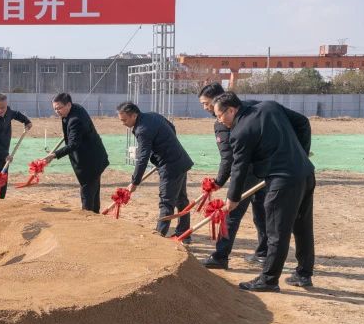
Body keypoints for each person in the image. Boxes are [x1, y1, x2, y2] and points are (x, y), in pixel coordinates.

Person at [213, 92, 315, 292]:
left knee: (276, 231)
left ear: (231, 110)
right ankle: (304, 274)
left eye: (219, 116)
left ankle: (268, 280)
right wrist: (301, 153)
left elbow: (239, 167)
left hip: (282, 180)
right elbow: (303, 122)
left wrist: (232, 199)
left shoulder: (239, 132)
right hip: (305, 173)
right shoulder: (270, 106)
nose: (219, 121)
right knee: (302, 227)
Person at [197, 83, 267, 269]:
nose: (205, 108)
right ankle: (264, 253)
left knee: (231, 214)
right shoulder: (251, 106)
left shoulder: (222, 123)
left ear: (218, 99)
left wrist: (219, 182)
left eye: (206, 103)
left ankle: (220, 256)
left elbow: (229, 158)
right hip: (266, 168)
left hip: (247, 172)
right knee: (262, 212)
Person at [116, 102, 194, 239]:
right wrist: (165, 146)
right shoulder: (152, 115)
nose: (122, 123)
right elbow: (172, 128)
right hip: (180, 160)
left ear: (134, 115)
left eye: (124, 120)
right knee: (181, 200)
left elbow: (142, 158)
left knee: (166, 202)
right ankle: (184, 233)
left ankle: (159, 237)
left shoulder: (142, 130)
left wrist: (134, 182)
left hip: (170, 166)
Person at [43, 93, 107, 212]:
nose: (57, 111)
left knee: (87, 191)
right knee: (94, 190)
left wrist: (54, 155)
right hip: (96, 156)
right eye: (55, 109)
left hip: (90, 161)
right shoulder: (76, 108)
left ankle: (87, 216)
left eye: (59, 108)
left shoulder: (75, 120)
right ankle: (95, 215)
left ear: (68, 105)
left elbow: (73, 144)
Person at [0, 94, 31, 199]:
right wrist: (5, 154)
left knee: (3, 180)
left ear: (6, 105)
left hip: (4, 153)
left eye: (2, 107)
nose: (0, 110)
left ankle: (1, 201)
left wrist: (26, 121)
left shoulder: (8, 112)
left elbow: (16, 114)